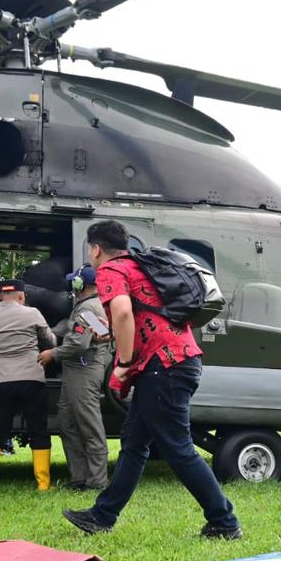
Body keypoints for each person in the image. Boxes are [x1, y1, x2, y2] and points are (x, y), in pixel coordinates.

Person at [62, 220, 242, 539]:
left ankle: (225, 522)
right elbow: (139, 316)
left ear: (95, 248)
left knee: (178, 446)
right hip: (175, 359)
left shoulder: (111, 270)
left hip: (164, 365)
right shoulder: (140, 266)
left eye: (90, 250)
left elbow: (122, 313)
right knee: (134, 444)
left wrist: (124, 364)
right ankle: (102, 516)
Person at [0, 279, 56, 494]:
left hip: (0, 380)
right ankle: (43, 485)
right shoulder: (33, 313)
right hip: (31, 378)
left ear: (0, 296)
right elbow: (51, 343)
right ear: (21, 296)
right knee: (38, 430)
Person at [40, 264, 114, 490]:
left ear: (81, 284)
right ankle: (79, 476)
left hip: (83, 371)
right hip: (75, 372)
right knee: (68, 423)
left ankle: (96, 480)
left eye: (75, 281)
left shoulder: (88, 310)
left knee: (89, 426)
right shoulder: (83, 307)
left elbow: (79, 344)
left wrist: (52, 354)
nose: (72, 284)